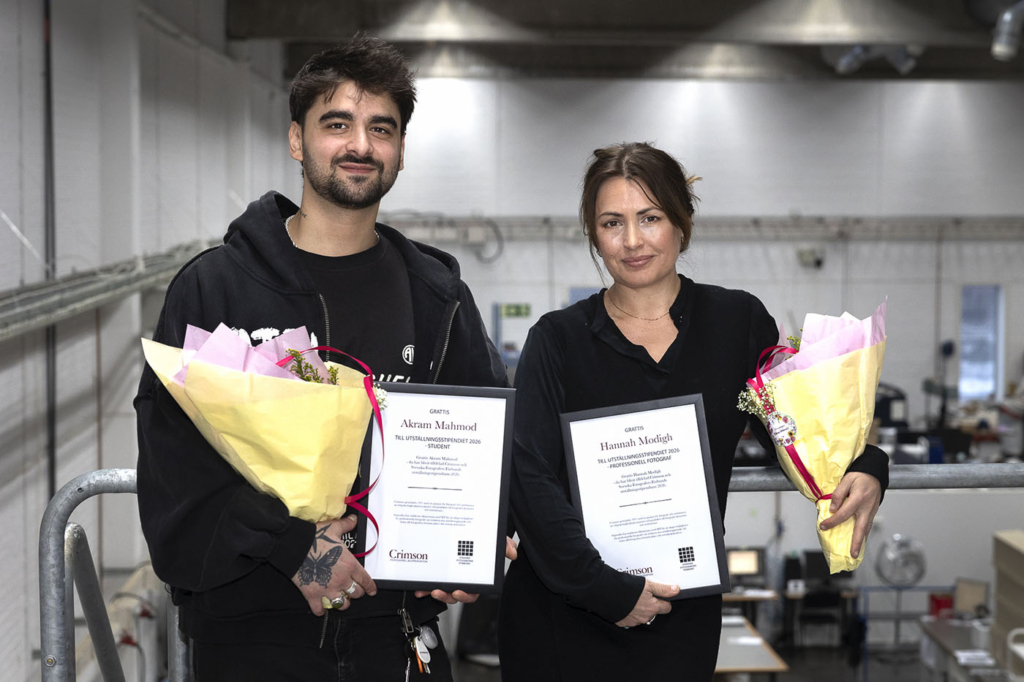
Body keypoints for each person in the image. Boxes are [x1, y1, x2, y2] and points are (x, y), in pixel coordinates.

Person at [135, 35, 511, 681]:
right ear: (296, 139)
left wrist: (468, 549)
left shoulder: (436, 295)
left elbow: (486, 439)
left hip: (391, 633)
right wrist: (294, 551)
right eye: (337, 124)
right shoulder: (217, 286)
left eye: (381, 129)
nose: (360, 146)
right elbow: (175, 461)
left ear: (399, 150)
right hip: (251, 634)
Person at [497, 142, 888, 681]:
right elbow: (529, 477)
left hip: (678, 614)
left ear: (682, 222)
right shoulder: (557, 339)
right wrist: (605, 589)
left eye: (650, 218)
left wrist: (869, 462)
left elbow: (795, 434)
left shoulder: (737, 323)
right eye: (612, 222)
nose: (632, 240)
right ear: (593, 234)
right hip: (562, 617)